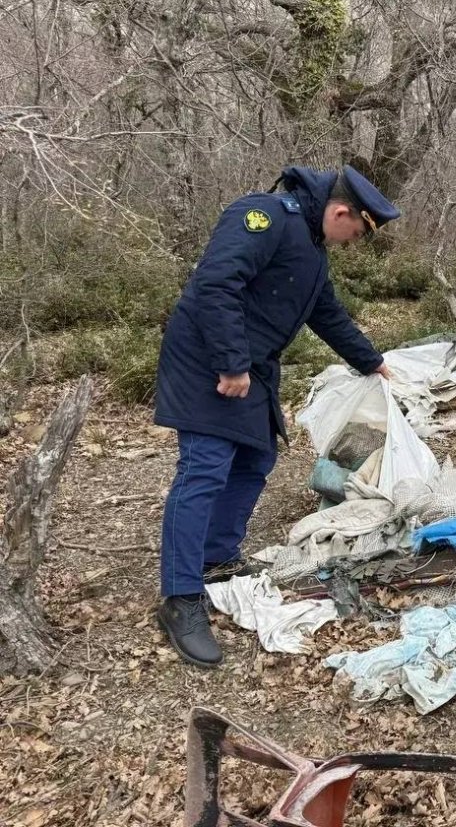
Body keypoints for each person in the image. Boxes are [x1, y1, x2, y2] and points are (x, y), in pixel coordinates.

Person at [153, 165, 399, 668]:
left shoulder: (310, 246)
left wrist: (372, 361)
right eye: (355, 232)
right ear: (339, 212)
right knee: (204, 468)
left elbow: (325, 312)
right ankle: (180, 598)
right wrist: (231, 363)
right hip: (210, 361)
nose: (352, 243)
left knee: (255, 459)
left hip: (250, 367)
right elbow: (216, 286)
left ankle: (217, 557)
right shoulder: (263, 216)